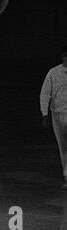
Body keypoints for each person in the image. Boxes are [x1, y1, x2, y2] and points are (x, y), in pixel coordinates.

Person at [40, 46, 67, 189]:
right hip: (58, 114)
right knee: (63, 147)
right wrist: (45, 114)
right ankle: (66, 177)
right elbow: (45, 93)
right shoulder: (54, 73)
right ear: (62, 56)